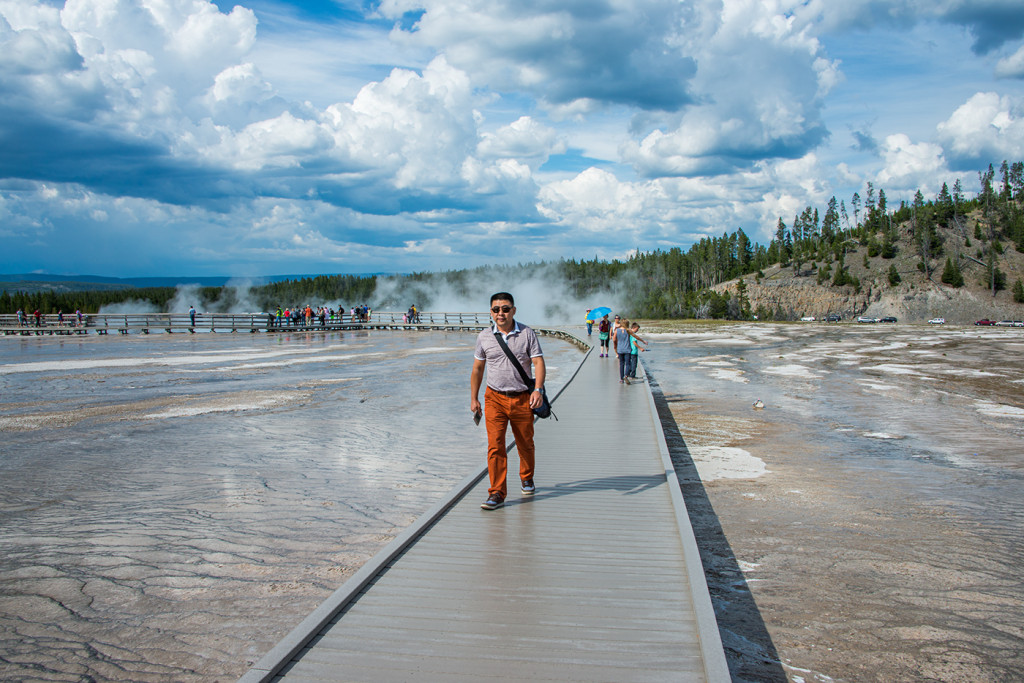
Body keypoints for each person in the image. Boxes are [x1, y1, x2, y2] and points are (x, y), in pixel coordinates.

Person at [470, 292, 546, 511]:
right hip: (494, 398)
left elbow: (538, 363)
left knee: (525, 443)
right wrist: (474, 398)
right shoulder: (484, 336)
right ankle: (496, 492)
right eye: (496, 309)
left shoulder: (527, 333)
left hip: (523, 397)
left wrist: (538, 389)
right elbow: (477, 369)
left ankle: (527, 477)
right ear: (491, 312)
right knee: (495, 445)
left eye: (505, 309)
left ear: (513, 310)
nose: (500, 313)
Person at [613, 319, 645, 384]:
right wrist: (643, 341)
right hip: (627, 349)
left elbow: (614, 339)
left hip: (620, 349)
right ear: (627, 324)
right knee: (628, 364)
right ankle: (626, 375)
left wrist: (616, 347)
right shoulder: (628, 330)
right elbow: (636, 336)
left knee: (621, 364)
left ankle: (621, 379)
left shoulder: (616, 331)